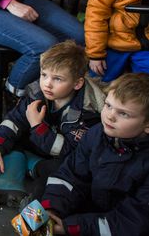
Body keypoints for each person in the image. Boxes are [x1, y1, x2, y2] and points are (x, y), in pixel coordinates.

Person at [0, 40, 104, 207]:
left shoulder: (88, 112)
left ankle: (35, 196)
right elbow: (13, 121)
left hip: (61, 159)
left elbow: (68, 151)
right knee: (11, 137)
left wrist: (37, 126)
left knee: (66, 170)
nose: (47, 83)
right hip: (41, 145)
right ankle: (10, 182)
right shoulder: (37, 93)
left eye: (58, 79)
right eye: (44, 75)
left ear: (77, 83)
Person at [42, 72, 149, 235]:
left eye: (124, 113)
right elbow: (72, 174)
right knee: (45, 189)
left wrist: (71, 228)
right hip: (96, 207)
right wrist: (52, 209)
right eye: (108, 105)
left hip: (122, 226)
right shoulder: (97, 133)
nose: (110, 116)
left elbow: (133, 220)